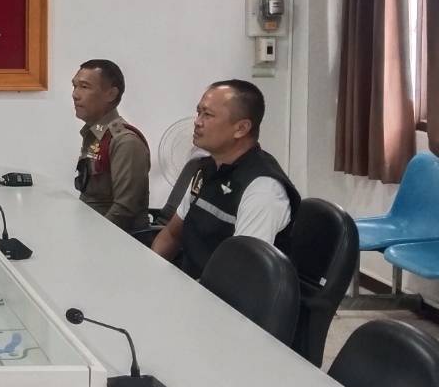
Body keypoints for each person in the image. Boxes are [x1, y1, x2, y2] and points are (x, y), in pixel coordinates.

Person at [151, 79, 299, 278]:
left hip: (224, 292)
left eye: (208, 115)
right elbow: (171, 234)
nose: (197, 122)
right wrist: (149, 272)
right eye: (198, 112)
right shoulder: (206, 168)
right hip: (189, 282)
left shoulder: (263, 189)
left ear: (241, 128)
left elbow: (240, 272)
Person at [71, 58, 150, 231]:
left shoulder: (125, 142)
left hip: (115, 238)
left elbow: (124, 210)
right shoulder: (95, 134)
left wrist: (95, 239)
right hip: (89, 227)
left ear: (111, 94)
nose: (75, 94)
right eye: (74, 86)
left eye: (84, 87)